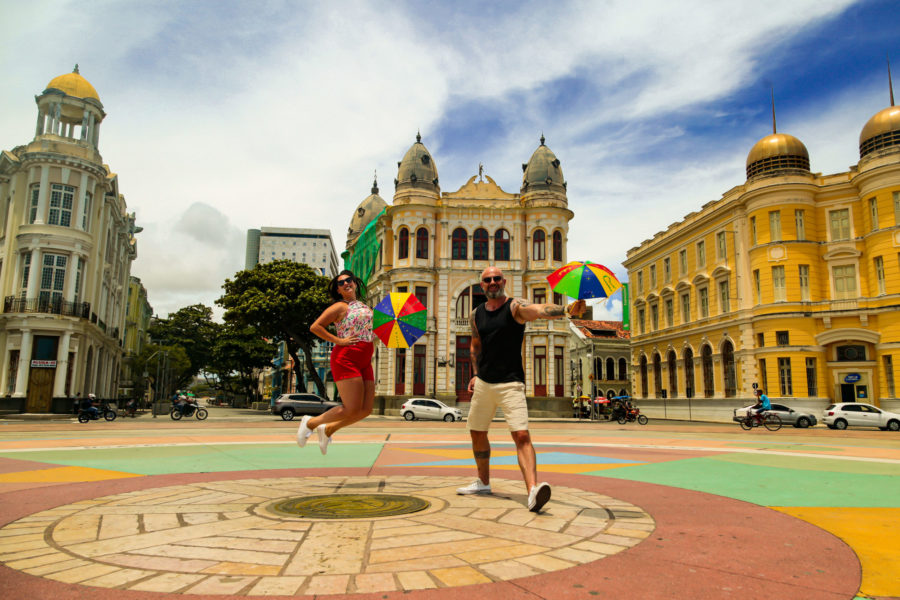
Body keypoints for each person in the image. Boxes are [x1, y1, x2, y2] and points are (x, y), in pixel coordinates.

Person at [456, 266, 585, 513]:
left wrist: (565, 310)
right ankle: (483, 482)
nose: (492, 282)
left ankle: (533, 491)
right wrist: (474, 373)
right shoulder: (476, 314)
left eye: (496, 278)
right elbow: (475, 345)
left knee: (522, 435)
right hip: (484, 382)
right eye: (487, 280)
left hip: (511, 383)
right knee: (476, 431)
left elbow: (538, 310)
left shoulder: (515, 307)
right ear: (481, 285)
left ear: (503, 281)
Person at [300, 269, 375, 454]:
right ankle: (310, 422)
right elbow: (315, 327)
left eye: (349, 280)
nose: (346, 284)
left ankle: (327, 429)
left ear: (355, 283)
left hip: (365, 359)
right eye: (341, 283)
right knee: (351, 409)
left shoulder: (364, 306)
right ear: (338, 290)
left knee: (365, 410)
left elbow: (367, 331)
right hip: (346, 357)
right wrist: (339, 340)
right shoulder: (340, 307)